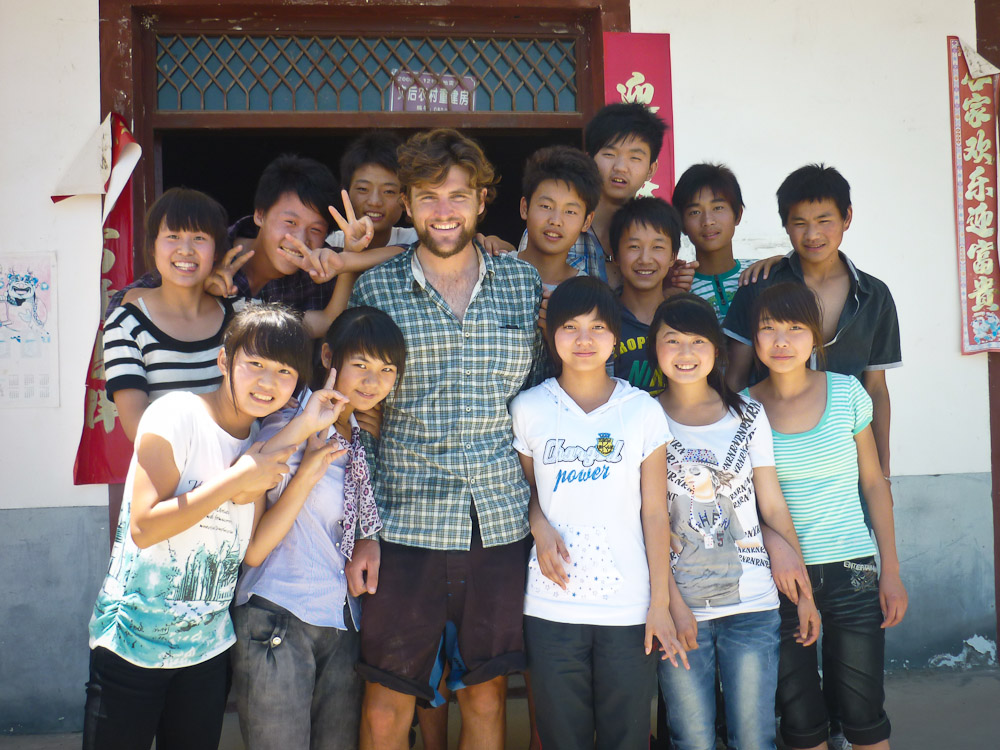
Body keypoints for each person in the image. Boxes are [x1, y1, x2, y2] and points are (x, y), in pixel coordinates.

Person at [347, 128, 543, 750]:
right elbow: (357, 419)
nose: (444, 211)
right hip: (403, 521)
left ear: (482, 200)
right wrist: (364, 529)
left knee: (485, 695)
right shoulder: (377, 289)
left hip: (498, 519)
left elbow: (540, 404)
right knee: (388, 702)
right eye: (428, 196)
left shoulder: (521, 284)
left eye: (458, 195)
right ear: (406, 204)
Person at [84, 304, 350, 750]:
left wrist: (305, 454)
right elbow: (144, 527)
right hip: (131, 643)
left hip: (205, 651)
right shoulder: (175, 415)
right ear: (224, 361)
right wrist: (237, 479)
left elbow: (253, 551)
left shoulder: (258, 443)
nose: (267, 382)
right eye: (255, 364)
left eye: (284, 372)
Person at [510, 276, 685, 749]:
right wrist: (538, 523)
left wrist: (660, 605)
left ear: (615, 336)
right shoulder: (529, 408)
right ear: (551, 335)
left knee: (625, 738)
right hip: (551, 603)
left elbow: (655, 513)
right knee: (561, 738)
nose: (584, 339)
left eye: (597, 327)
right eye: (570, 326)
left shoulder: (641, 411)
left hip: (628, 605)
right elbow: (528, 489)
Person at [230, 306, 406, 750]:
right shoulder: (286, 426)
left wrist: (368, 538)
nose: (372, 381)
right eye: (360, 365)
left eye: (387, 370)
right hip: (278, 615)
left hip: (340, 619)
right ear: (328, 357)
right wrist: (308, 467)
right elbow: (254, 550)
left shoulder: (360, 436)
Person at [650, 293, 818, 750]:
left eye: (698, 341)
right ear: (654, 349)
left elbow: (773, 505)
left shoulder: (748, 414)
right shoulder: (642, 416)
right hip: (680, 608)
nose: (686, 353)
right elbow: (646, 519)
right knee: (692, 739)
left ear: (717, 350)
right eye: (672, 340)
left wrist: (805, 596)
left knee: (754, 737)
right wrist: (668, 605)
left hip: (752, 606)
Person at [747, 283, 907, 750]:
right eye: (768, 329)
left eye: (795, 329)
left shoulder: (846, 392)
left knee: (863, 713)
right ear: (753, 338)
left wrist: (891, 570)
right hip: (778, 577)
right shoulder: (741, 408)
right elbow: (742, 503)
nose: (781, 341)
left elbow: (874, 484)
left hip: (852, 569)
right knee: (800, 719)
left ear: (815, 337)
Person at [723, 164, 901, 479]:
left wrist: (883, 470)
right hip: (769, 457)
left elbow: (876, 388)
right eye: (799, 223)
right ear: (785, 225)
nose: (812, 235)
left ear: (847, 217)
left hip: (847, 464)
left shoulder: (874, 296)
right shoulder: (759, 287)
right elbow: (735, 379)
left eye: (824, 221)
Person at [108, 154, 345, 315]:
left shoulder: (323, 269)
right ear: (260, 215)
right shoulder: (209, 251)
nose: (301, 239)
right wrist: (194, 290)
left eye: (315, 229)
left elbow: (363, 263)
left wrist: (351, 255)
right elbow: (119, 304)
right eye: (290, 222)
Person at [104, 187, 235, 442]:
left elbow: (314, 323)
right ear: (153, 247)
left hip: (247, 463)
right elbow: (139, 431)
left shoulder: (241, 316)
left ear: (216, 252)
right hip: (168, 466)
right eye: (173, 236)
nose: (185, 249)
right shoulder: (125, 325)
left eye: (199, 238)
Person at [610, 196, 682, 395]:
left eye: (657, 247)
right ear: (615, 255)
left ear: (673, 256)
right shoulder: (602, 320)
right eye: (634, 247)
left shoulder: (686, 319)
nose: (645, 259)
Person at [672, 163, 754, 322]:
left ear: (738, 215)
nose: (708, 221)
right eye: (695, 212)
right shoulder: (679, 287)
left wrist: (781, 262)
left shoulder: (760, 274)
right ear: (681, 224)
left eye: (718, 208)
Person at [515, 144, 601, 290]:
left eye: (570, 212)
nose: (555, 221)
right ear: (524, 208)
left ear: (586, 222)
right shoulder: (491, 271)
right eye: (546, 206)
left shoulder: (587, 294)